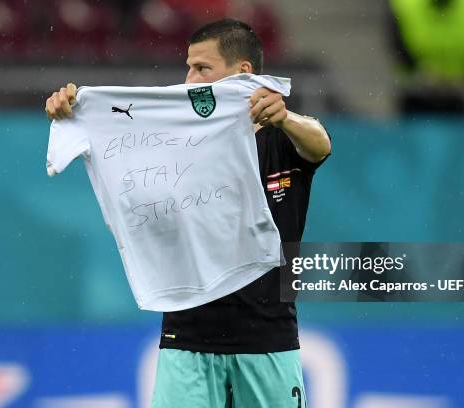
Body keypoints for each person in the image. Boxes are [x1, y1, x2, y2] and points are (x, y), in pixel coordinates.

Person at [45, 18, 331, 408]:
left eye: (202, 68)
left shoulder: (284, 135)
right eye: (189, 66)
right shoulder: (172, 140)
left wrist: (285, 117)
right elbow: (118, 141)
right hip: (187, 337)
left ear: (242, 72)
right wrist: (74, 113)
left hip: (268, 338)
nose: (189, 77)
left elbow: (320, 145)